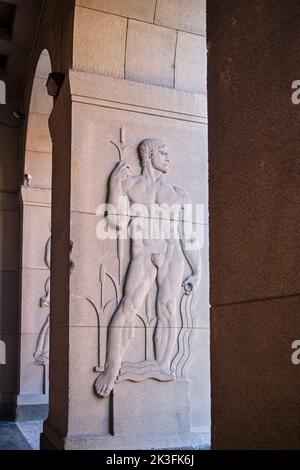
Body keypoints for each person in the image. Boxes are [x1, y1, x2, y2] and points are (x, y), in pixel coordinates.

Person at [95, 139, 201, 397]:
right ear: (149, 154)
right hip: (143, 255)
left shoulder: (179, 194)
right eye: (163, 153)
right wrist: (113, 186)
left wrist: (197, 270)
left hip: (171, 254)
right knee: (128, 306)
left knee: (167, 309)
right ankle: (112, 366)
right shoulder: (131, 186)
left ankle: (163, 366)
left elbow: (188, 235)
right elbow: (116, 221)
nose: (167, 158)